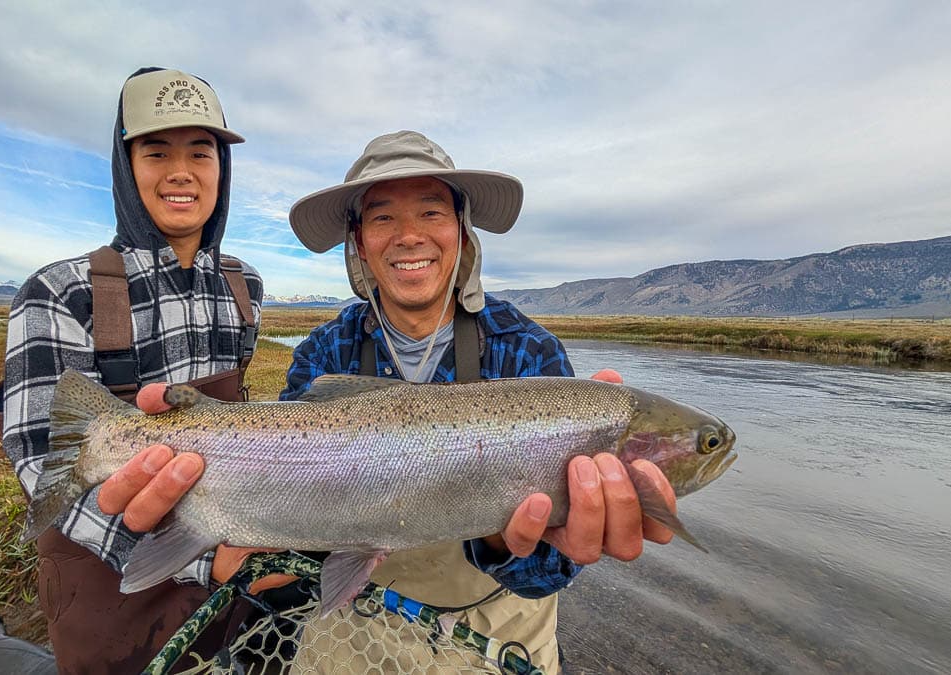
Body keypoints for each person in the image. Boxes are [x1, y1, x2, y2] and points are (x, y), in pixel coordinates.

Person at [114, 131, 678, 673]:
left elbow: (546, 575)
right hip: (357, 616)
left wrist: (503, 536)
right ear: (358, 241)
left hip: (498, 627)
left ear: (461, 229)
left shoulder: (530, 351)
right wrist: (234, 537)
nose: (409, 235)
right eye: (383, 216)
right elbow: (300, 510)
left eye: (432, 212)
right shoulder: (324, 351)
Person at [1, 66, 262, 673]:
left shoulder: (244, 285)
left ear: (222, 169)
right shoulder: (60, 292)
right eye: (156, 151)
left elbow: (234, 422)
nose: (181, 171)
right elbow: (42, 460)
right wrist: (207, 560)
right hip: (107, 599)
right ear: (125, 167)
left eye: (201, 151)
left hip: (228, 570)